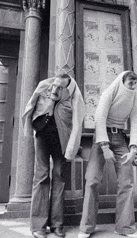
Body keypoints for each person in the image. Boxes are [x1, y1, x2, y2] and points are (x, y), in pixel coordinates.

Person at [78, 71, 137, 238]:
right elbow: (99, 116)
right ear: (122, 81)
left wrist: (134, 150)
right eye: (131, 82)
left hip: (120, 138)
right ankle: (86, 228)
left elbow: (136, 121)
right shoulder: (110, 91)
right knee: (92, 180)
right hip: (101, 138)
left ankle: (125, 227)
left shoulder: (133, 96)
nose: (133, 85)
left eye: (136, 82)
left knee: (126, 182)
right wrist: (105, 147)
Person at [22, 74, 85, 238]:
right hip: (42, 136)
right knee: (41, 176)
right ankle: (38, 226)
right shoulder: (45, 86)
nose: (55, 89)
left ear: (67, 88)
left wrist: (72, 148)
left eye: (59, 87)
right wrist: (30, 127)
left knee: (59, 177)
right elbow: (30, 107)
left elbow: (77, 124)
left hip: (61, 141)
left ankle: (57, 225)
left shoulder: (75, 97)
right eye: (54, 85)